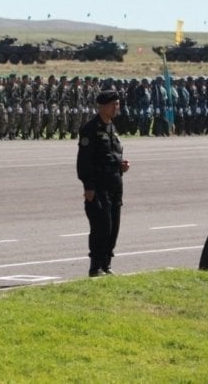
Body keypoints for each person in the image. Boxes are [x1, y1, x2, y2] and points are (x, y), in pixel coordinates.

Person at [76, 90, 130, 277]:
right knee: (101, 227)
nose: (117, 108)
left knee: (114, 227)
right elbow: (84, 160)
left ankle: (106, 265)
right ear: (103, 106)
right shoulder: (90, 129)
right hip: (98, 187)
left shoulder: (112, 128)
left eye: (118, 104)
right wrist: (88, 187)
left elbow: (111, 154)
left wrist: (121, 164)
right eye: (114, 104)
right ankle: (96, 266)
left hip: (115, 185)